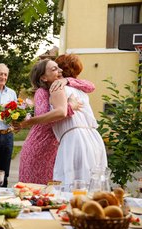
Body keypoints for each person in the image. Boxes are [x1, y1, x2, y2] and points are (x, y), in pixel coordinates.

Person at [20, 56, 107, 190]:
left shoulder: (65, 85)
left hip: (57, 145)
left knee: (59, 188)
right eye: (54, 69)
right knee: (37, 190)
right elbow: (44, 119)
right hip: (40, 145)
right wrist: (69, 106)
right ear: (43, 77)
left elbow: (90, 86)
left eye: (59, 68)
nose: (59, 71)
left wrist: (67, 80)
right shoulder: (42, 92)